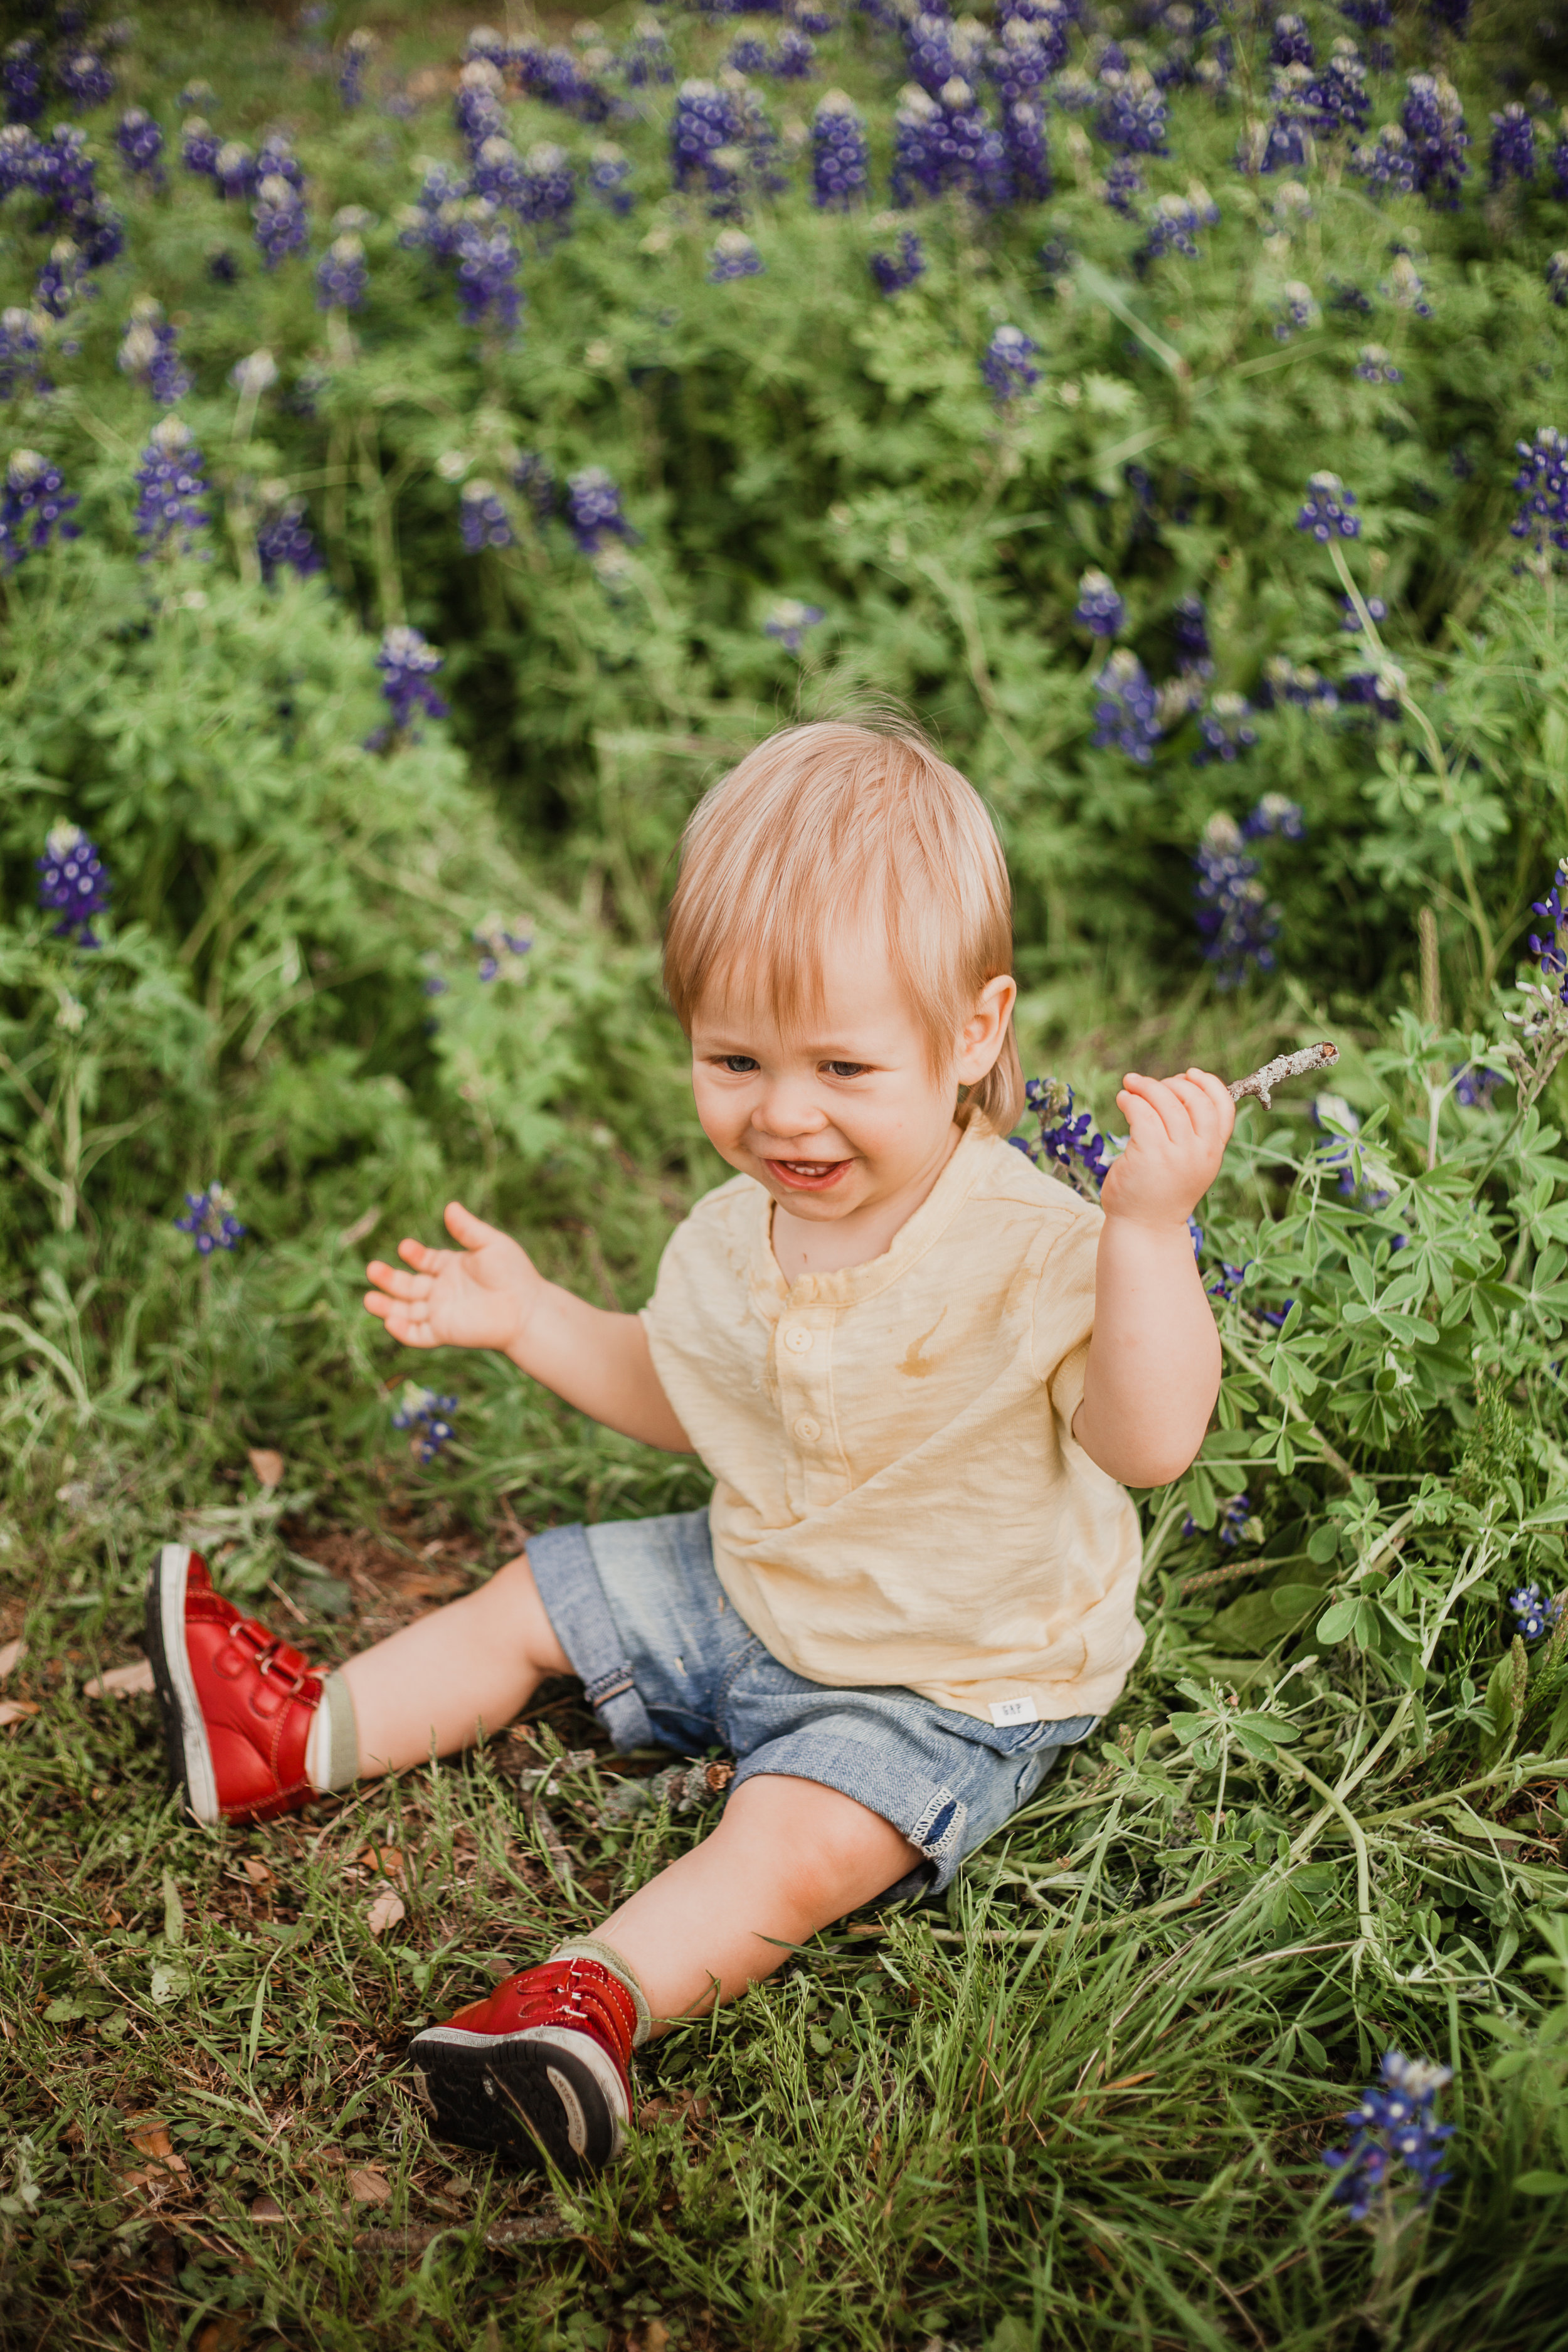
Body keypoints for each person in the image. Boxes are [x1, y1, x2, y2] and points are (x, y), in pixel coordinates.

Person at [144, 716, 1235, 2176]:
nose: (783, 1112)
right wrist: (535, 1319)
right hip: (758, 1574)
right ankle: (288, 1733)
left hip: (955, 1670)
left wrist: (1148, 1233)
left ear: (973, 1033)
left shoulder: (1038, 1246)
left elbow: (1148, 1441)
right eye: (733, 1058)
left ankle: (589, 2005)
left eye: (843, 1067)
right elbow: (687, 1392)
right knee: (532, 1595)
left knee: (790, 1840)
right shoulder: (730, 1235)